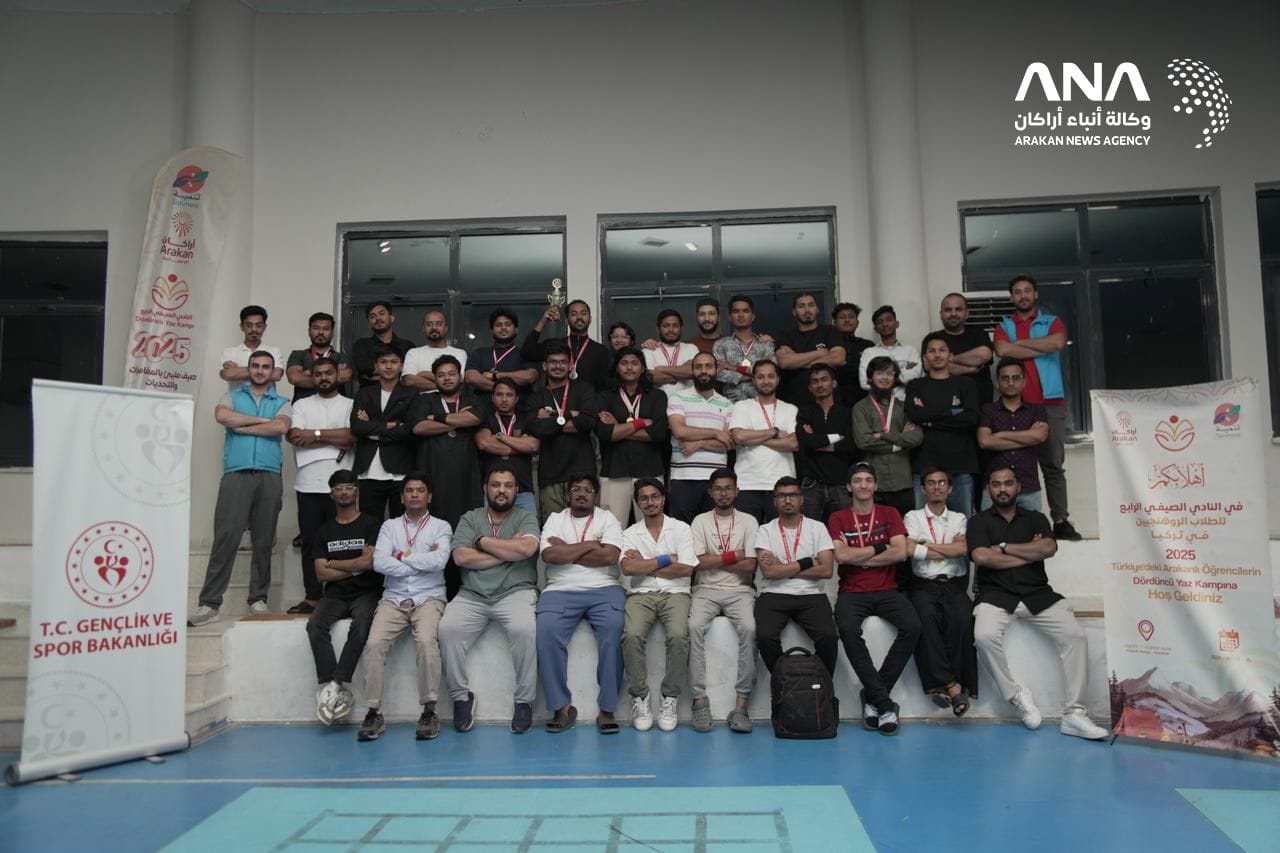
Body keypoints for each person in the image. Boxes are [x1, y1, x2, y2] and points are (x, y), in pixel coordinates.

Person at [967, 465, 1107, 740]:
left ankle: (1074, 714)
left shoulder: (1036, 518)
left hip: (1037, 594)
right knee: (983, 636)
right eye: (996, 484)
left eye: (1008, 483)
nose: (1003, 489)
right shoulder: (978, 522)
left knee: (1076, 636)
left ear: (1018, 487)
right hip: (996, 595)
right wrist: (1028, 553)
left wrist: (1005, 548)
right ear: (989, 489)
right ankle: (1016, 695)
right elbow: (982, 557)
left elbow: (1049, 548)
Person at [189, 350, 292, 627]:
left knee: (263, 539)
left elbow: (281, 427)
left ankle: (258, 599)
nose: (260, 371)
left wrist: (244, 425)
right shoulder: (232, 397)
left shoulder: (282, 401)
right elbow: (223, 416)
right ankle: (209, 603)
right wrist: (261, 422)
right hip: (236, 474)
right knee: (226, 538)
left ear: (273, 372)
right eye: (255, 366)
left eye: (266, 367)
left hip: (269, 475)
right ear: (249, 369)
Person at [443, 465, 541, 734]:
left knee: (525, 630)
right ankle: (461, 698)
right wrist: (507, 553)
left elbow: (528, 548)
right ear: (486, 489)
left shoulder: (526, 517)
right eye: (496, 484)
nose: (501, 490)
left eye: (508, 485)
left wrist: (482, 542)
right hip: (472, 595)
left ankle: (524, 702)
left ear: (516, 490)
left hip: (515, 591)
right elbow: (461, 557)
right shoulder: (470, 518)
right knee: (447, 629)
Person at [357, 474, 452, 742]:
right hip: (394, 597)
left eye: (420, 490)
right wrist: (421, 560)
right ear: (401, 497)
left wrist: (402, 555)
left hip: (429, 597)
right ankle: (373, 712)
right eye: (409, 491)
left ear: (429, 496)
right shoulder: (389, 526)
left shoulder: (441, 526)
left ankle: (429, 711)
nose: (414, 495)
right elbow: (379, 563)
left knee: (425, 642)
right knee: (374, 644)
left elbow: (440, 561)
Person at [828, 462, 920, 735]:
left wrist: (863, 557)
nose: (864, 485)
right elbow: (841, 556)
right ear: (849, 486)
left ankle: (873, 697)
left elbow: (901, 553)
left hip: (887, 589)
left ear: (876, 485)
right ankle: (884, 703)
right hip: (852, 592)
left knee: (913, 627)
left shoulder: (890, 513)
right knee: (846, 629)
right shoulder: (838, 517)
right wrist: (880, 547)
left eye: (868, 480)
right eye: (858, 480)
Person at [536, 473, 627, 734]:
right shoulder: (555, 519)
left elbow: (609, 557)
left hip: (604, 588)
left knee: (614, 630)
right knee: (546, 632)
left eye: (588, 490)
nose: (582, 494)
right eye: (576, 489)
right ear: (568, 495)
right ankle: (561, 707)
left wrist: (569, 549)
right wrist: (589, 544)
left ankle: (607, 709)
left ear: (595, 495)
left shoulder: (607, 518)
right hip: (560, 589)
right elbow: (550, 555)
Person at [992, 275, 1080, 540]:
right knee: (1015, 464)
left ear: (1036, 294)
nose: (1023, 296)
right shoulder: (1004, 324)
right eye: (1017, 292)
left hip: (1050, 401)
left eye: (1027, 291)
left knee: (1052, 463)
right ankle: (1017, 523)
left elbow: (1056, 343)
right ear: (1012, 297)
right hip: (1016, 405)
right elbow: (1002, 350)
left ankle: (1061, 520)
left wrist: (1018, 345)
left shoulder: (1051, 322)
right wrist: (1035, 347)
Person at [306, 470, 383, 726]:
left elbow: (369, 564)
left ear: (356, 491)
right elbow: (320, 573)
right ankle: (330, 684)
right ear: (331, 494)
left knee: (361, 627)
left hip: (366, 591)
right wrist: (354, 564)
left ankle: (335, 684)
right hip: (336, 594)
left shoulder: (372, 524)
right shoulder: (324, 531)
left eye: (348, 487)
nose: (343, 492)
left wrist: (334, 563)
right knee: (315, 626)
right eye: (338, 488)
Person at [619, 479, 696, 732]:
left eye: (655, 496)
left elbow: (686, 568)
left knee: (678, 636)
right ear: (637, 503)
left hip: (676, 593)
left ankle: (669, 697)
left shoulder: (681, 529)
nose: (650, 502)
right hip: (640, 594)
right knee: (631, 636)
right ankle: (640, 697)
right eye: (644, 498)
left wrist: (647, 564)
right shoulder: (630, 533)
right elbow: (629, 568)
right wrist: (665, 559)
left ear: (663, 499)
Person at [688, 468, 758, 733]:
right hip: (705, 589)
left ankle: (741, 705)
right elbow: (697, 563)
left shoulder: (749, 521)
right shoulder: (700, 521)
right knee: (694, 627)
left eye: (728, 488)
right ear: (710, 492)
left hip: (740, 592)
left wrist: (715, 561)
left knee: (750, 629)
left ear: (737, 491)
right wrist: (734, 556)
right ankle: (698, 699)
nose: (723, 493)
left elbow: (750, 566)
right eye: (718, 488)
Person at [902, 467, 976, 716]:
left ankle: (944, 685)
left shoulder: (959, 518)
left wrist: (925, 546)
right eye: (931, 483)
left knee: (963, 618)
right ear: (922, 489)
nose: (937, 487)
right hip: (923, 584)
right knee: (924, 619)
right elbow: (910, 550)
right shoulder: (912, 517)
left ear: (950, 488)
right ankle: (954, 687)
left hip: (953, 583)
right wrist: (948, 547)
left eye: (942, 482)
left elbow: (962, 550)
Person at [285, 356, 355, 614]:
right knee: (312, 543)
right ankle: (312, 598)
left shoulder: (350, 404)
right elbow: (295, 436)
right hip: (307, 484)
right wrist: (332, 437)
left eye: (329, 373)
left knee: (345, 543)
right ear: (312, 378)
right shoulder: (301, 404)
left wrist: (313, 434)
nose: (324, 377)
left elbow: (349, 437)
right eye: (319, 374)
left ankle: (344, 598)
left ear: (338, 375)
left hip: (342, 484)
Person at [410, 355, 483, 598]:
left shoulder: (471, 399)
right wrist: (454, 423)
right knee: (434, 538)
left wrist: (438, 419)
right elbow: (419, 427)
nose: (447, 378)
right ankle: (436, 594)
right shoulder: (425, 400)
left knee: (466, 536)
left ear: (460, 376)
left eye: (451, 373)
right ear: (435, 379)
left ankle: (465, 594)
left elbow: (473, 418)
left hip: (466, 481)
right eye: (441, 375)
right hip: (435, 480)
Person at [754, 477, 839, 676]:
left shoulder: (817, 528)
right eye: (782, 496)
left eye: (792, 495)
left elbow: (826, 570)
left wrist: (783, 567)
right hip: (774, 594)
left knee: (829, 637)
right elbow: (769, 573)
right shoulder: (765, 530)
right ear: (774, 501)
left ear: (802, 499)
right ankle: (784, 683)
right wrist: (807, 562)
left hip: (811, 594)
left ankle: (823, 686)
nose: (787, 500)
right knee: (765, 637)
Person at [904, 333, 980, 515]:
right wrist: (953, 412)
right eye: (932, 351)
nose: (937, 355)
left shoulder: (966, 384)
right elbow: (914, 414)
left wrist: (929, 419)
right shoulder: (915, 385)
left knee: (963, 527)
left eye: (942, 350)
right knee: (922, 530)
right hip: (924, 468)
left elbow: (971, 418)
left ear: (950, 355)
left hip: (961, 467)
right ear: (924, 358)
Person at [526, 340, 599, 519]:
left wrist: (554, 417)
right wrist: (571, 415)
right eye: (552, 362)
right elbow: (536, 428)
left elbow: (588, 420)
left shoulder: (583, 389)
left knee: (586, 529)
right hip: (550, 475)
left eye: (562, 362)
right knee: (553, 531)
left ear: (570, 365)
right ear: (544, 365)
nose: (558, 366)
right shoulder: (536, 397)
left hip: (583, 473)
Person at [596, 347, 669, 525]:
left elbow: (658, 434)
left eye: (635, 363)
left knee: (651, 526)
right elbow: (606, 434)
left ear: (643, 368)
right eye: (624, 363)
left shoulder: (657, 396)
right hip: (615, 470)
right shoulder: (605, 397)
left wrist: (620, 427)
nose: (629, 368)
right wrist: (641, 423)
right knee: (612, 528)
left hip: (649, 470)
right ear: (617, 368)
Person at [351, 346, 418, 520]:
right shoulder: (364, 393)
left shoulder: (411, 394)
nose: (388, 366)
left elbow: (408, 430)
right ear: (376, 366)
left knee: (401, 526)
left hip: (400, 468)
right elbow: (357, 427)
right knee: (370, 526)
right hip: (368, 470)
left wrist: (371, 427)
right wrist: (391, 425)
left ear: (402, 366)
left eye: (394, 362)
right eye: (383, 362)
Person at [666, 351, 735, 522]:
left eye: (708, 366)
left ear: (716, 370)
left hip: (716, 481)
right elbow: (679, 431)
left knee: (714, 533)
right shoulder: (677, 398)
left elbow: (729, 443)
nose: (704, 371)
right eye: (698, 367)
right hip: (683, 478)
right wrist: (715, 433)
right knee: (683, 535)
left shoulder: (727, 404)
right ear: (692, 370)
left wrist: (698, 443)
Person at [851, 356, 922, 518]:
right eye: (880, 373)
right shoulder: (860, 408)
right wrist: (900, 442)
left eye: (890, 373)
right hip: (874, 484)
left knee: (904, 532)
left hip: (902, 481)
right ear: (870, 377)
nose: (885, 378)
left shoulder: (903, 407)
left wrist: (883, 435)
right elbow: (863, 441)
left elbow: (917, 437)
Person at [729, 360, 798, 523]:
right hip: (747, 484)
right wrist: (774, 432)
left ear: (778, 379)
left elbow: (793, 444)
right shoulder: (741, 406)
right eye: (760, 377)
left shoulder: (790, 409)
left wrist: (753, 438)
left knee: (780, 538)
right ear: (753, 380)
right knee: (748, 541)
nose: (766, 381)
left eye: (770, 376)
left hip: (782, 485)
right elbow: (738, 437)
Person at [977, 358, 1048, 512]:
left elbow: (1039, 437)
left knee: (1033, 535)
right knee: (990, 534)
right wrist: (1028, 438)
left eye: (1016, 378)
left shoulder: (1037, 410)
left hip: (1028, 486)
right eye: (1005, 378)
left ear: (1024, 382)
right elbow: (985, 441)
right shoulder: (988, 410)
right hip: (994, 488)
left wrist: (1000, 435)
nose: (1010, 382)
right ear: (997, 383)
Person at [797, 363, 857, 524]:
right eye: (815, 381)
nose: (820, 385)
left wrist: (817, 440)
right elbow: (805, 441)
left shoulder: (848, 413)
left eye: (824, 379)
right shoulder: (804, 413)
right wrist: (838, 437)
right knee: (807, 533)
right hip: (812, 484)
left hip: (841, 484)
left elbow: (852, 444)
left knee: (846, 531)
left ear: (834, 383)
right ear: (810, 387)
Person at [473, 378, 539, 514]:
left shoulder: (526, 418)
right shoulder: (485, 418)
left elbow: (533, 446)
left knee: (528, 533)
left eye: (509, 395)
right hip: (493, 491)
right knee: (493, 534)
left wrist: (500, 437)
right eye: (499, 394)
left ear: (516, 399)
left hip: (523, 491)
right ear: (492, 397)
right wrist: (519, 445)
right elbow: (484, 443)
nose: (504, 399)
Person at [774, 292, 847, 405]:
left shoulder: (830, 331)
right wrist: (820, 353)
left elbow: (838, 358)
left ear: (817, 309)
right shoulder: (785, 335)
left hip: (828, 403)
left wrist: (797, 362)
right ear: (794, 312)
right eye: (801, 306)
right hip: (794, 401)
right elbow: (784, 362)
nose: (807, 310)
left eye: (811, 305)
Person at [521, 299, 611, 390]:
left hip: (588, 402)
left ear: (590, 319)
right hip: (555, 402)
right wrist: (543, 322)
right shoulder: (554, 345)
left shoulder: (601, 351)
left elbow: (605, 387)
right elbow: (527, 352)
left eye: (583, 313)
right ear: (567, 320)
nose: (579, 317)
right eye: (574, 314)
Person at [463, 307, 540, 410]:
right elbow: (471, 377)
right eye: (498, 325)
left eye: (508, 324)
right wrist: (503, 391)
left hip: (519, 414)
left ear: (516, 329)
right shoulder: (479, 353)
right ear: (492, 330)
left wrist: (495, 375)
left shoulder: (526, 353)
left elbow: (529, 377)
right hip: (484, 413)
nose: (503, 328)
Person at [714, 294, 776, 403]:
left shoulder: (766, 344)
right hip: (731, 406)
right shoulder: (721, 345)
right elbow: (720, 374)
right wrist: (757, 376)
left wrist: (731, 367)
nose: (741, 315)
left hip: (761, 405)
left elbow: (771, 371)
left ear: (753, 316)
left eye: (746, 311)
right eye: (736, 311)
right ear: (730, 317)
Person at [935, 293, 994, 405]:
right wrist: (970, 369)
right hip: (944, 409)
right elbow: (933, 367)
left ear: (967, 314)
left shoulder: (979, 334)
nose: (953, 314)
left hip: (980, 408)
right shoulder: (933, 339)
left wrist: (951, 358)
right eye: (948, 310)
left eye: (958, 309)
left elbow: (984, 355)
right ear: (941, 314)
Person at [285, 311, 353, 402]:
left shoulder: (342, 357)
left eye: (326, 329)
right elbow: (294, 378)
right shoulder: (298, 355)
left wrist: (308, 372)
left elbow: (344, 376)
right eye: (316, 328)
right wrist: (330, 377)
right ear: (309, 331)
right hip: (303, 409)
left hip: (336, 408)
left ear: (332, 332)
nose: (321, 332)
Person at [857, 305, 922, 399]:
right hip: (878, 406)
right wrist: (903, 372)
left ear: (897, 323)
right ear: (875, 329)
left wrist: (880, 379)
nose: (885, 324)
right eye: (880, 322)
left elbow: (915, 376)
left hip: (905, 405)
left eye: (889, 319)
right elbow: (864, 383)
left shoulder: (910, 351)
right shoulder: (869, 353)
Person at [351, 302, 414, 389]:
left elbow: (411, 376)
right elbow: (364, 369)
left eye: (382, 314)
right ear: (369, 324)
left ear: (391, 318)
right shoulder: (362, 345)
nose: (378, 318)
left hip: (402, 398)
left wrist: (376, 374)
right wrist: (398, 372)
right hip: (369, 397)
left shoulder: (407, 346)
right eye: (372, 316)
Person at [403, 310, 468, 393]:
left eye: (439, 324)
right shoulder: (413, 353)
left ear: (446, 328)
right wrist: (445, 385)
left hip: (451, 404)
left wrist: (425, 374)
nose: (434, 327)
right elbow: (409, 381)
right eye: (429, 324)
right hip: (421, 404)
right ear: (424, 329)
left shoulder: (459, 353)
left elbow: (459, 380)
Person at [220, 305, 283, 390]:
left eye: (258, 325)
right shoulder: (229, 352)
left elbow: (276, 375)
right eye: (249, 325)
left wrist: (238, 370)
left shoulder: (274, 351)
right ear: (242, 326)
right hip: (237, 402)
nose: (254, 329)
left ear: (264, 327)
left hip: (267, 401)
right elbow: (227, 374)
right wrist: (265, 370)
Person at [642, 309, 698, 393]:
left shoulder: (691, 348)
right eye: (666, 326)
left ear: (681, 328)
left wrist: (660, 369)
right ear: (658, 329)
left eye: (675, 326)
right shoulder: (648, 351)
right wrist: (682, 373)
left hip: (688, 403)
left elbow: (692, 371)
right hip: (659, 403)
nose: (671, 329)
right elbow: (651, 378)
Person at [832, 302, 875, 406]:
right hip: (835, 402)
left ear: (857, 322)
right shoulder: (829, 345)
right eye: (842, 317)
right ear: (835, 322)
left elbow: (874, 374)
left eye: (851, 317)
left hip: (864, 402)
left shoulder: (868, 346)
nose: (847, 320)